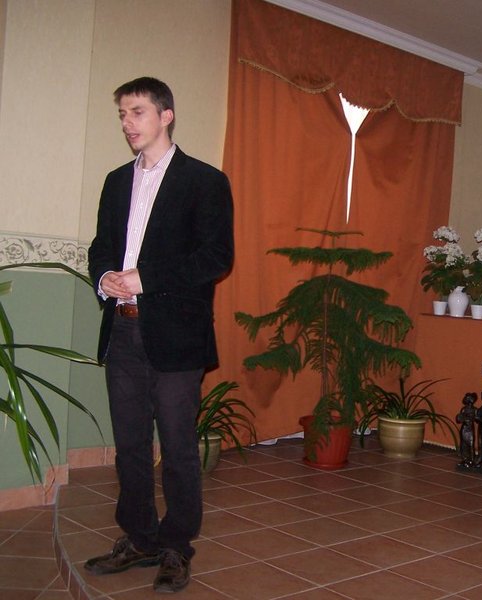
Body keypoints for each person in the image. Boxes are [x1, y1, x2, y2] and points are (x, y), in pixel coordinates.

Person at [85, 77, 233, 593]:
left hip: (177, 336)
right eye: (122, 114)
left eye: (137, 112)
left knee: (177, 446)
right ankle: (140, 538)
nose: (128, 123)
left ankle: (175, 546)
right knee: (129, 445)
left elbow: (216, 257)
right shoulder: (114, 182)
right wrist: (105, 276)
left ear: (166, 115)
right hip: (122, 330)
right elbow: (101, 246)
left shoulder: (205, 181)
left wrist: (145, 279)